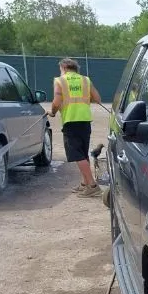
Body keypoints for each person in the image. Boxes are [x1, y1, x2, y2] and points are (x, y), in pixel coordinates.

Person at [49, 58, 103, 197]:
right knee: (83, 153)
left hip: (70, 120)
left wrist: (53, 112)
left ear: (64, 68)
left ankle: (92, 185)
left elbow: (56, 102)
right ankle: (85, 183)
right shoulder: (85, 80)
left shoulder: (60, 80)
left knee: (77, 154)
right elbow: (97, 99)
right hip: (85, 120)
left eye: (60, 69)